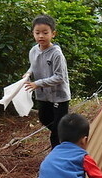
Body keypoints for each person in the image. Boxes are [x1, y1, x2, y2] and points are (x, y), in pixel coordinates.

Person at [23, 14, 71, 149]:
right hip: (43, 95)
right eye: (37, 33)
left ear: (53, 34)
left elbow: (60, 77)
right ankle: (67, 136)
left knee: (56, 130)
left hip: (59, 96)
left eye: (45, 33)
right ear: (33, 33)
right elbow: (33, 65)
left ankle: (58, 153)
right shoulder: (33, 51)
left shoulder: (56, 54)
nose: (41, 36)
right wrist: (28, 73)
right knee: (44, 119)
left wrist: (37, 83)